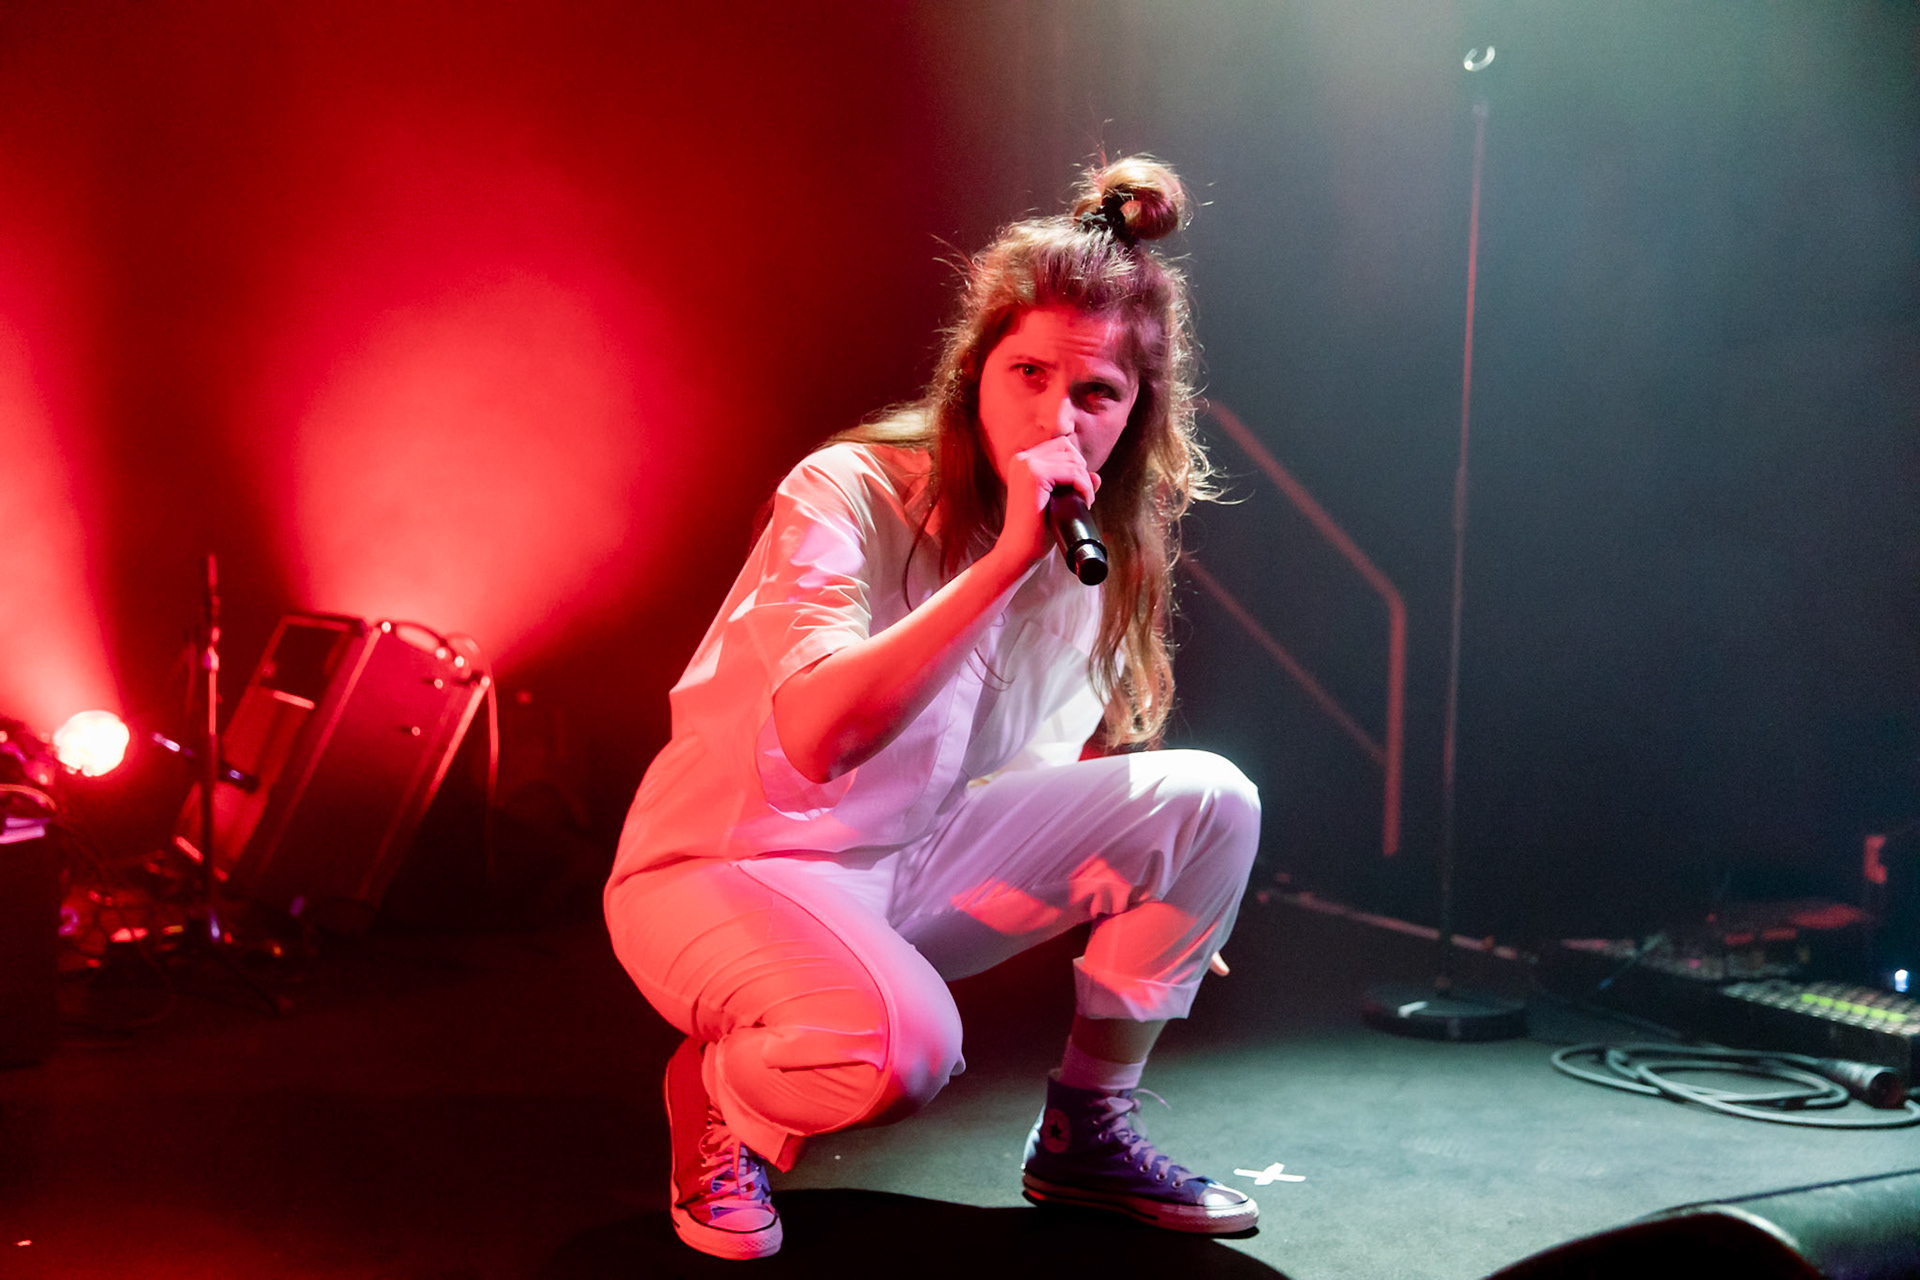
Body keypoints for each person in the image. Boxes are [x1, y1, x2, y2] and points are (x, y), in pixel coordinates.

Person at [604, 155, 1262, 1261]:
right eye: (1030, 372)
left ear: (1136, 412)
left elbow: (1059, 740)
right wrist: (1002, 560)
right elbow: (821, 738)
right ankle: (719, 1091)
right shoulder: (848, 492)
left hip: (909, 864)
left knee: (1212, 800)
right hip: (733, 867)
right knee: (901, 1054)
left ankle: (1085, 1135)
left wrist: (1176, 885)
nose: (1059, 411)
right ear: (975, 371)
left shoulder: (1095, 543)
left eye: (1097, 392)